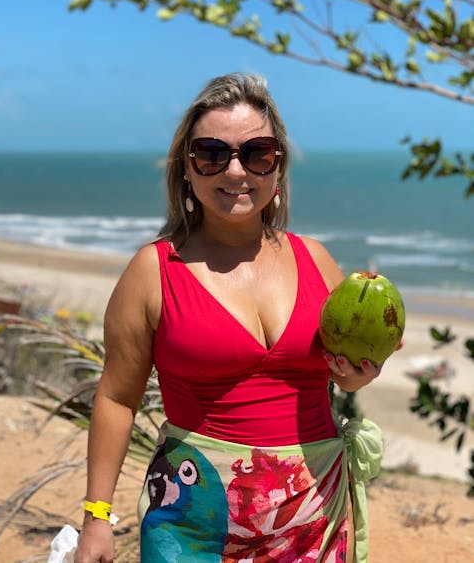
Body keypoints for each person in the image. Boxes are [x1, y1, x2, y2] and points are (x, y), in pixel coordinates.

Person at [74, 72, 396, 563]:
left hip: (312, 517)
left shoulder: (318, 262)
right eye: (211, 154)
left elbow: (345, 379)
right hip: (193, 517)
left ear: (277, 166)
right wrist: (97, 517)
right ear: (187, 168)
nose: (235, 172)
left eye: (256, 153)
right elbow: (118, 398)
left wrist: (358, 375)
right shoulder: (153, 271)